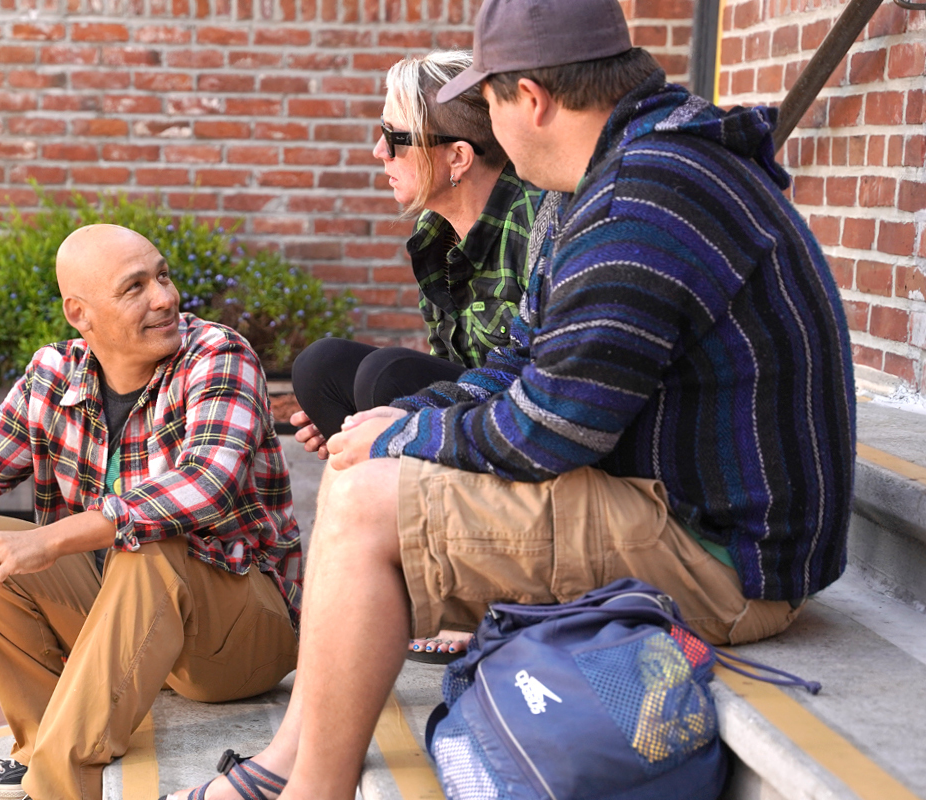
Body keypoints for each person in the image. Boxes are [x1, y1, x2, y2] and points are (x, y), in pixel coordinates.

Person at [162, 0, 856, 798]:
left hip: (729, 562)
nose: (484, 124)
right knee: (372, 466)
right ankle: (287, 765)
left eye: (486, 99)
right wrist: (409, 421)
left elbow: (548, 430)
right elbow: (522, 360)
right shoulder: (611, 176)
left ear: (530, 98)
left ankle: (309, 787)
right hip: (684, 509)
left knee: (363, 504)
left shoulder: (643, 201)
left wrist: (401, 443)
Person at [0, 224, 301, 800]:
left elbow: (204, 486)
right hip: (127, 623)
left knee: (155, 540)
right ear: (80, 313)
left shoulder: (218, 354)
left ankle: (59, 779)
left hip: (239, 637)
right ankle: (42, 740)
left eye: (162, 276)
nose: (165, 297)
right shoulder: (54, 374)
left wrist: (53, 539)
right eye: (135, 288)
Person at [290, 50, 542, 661]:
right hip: (470, 415)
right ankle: (391, 571)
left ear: (457, 156)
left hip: (523, 435)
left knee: (386, 376)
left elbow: (528, 377)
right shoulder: (434, 234)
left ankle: (465, 594)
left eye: (396, 138)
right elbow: (447, 363)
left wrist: (394, 419)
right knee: (320, 367)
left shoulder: (535, 222)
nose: (379, 152)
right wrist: (359, 429)